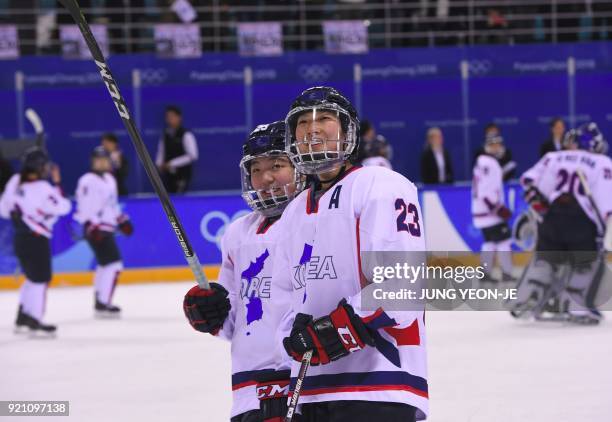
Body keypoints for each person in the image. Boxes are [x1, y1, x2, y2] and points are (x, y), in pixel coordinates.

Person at [272, 87, 428, 421]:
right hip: (311, 393)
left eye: (324, 118)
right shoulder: (293, 211)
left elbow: (403, 287)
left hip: (380, 385)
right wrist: (291, 340)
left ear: (348, 131)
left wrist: (334, 329)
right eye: (301, 122)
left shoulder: (381, 184)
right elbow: (285, 302)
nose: (311, 128)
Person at [183, 121, 305, 422]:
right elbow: (232, 322)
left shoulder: (318, 218)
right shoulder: (238, 233)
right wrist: (209, 312)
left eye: (277, 165)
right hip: (249, 394)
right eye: (255, 170)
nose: (265, 178)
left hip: (306, 390)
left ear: (299, 167)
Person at [509, 122, 612, 324]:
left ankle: (527, 297)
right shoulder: (602, 162)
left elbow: (528, 182)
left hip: (552, 217)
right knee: (585, 264)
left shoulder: (554, 156)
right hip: (581, 220)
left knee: (546, 261)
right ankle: (578, 308)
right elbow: (606, 205)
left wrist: (541, 209)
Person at [0, 148, 71, 335]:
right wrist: (57, 183)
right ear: (39, 167)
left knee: (32, 278)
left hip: (21, 239)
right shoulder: (44, 188)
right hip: (36, 239)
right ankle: (35, 319)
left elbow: (3, 209)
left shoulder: (15, 182)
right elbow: (64, 207)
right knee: (40, 279)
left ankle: (23, 316)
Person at [74, 146, 134, 317]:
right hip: (96, 229)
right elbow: (84, 207)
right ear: (92, 161)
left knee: (105, 265)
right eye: (98, 159)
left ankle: (100, 301)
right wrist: (92, 226)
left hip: (107, 228)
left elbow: (112, 205)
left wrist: (121, 220)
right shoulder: (87, 180)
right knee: (114, 265)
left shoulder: (109, 178)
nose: (101, 163)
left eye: (104, 159)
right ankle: (103, 303)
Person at [471, 134, 515, 283]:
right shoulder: (491, 164)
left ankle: (485, 273)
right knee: (504, 241)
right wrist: (498, 209)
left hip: (480, 211)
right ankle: (507, 273)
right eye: (495, 144)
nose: (499, 147)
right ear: (489, 146)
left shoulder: (481, 161)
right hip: (490, 212)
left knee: (489, 242)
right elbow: (485, 192)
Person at [155, 105, 198, 193]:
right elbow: (161, 151)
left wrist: (172, 163)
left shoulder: (186, 134)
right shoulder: (165, 135)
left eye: (172, 116)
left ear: (179, 118)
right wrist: (159, 165)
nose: (169, 120)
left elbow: (193, 155)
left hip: (182, 175)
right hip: (167, 176)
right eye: (167, 117)